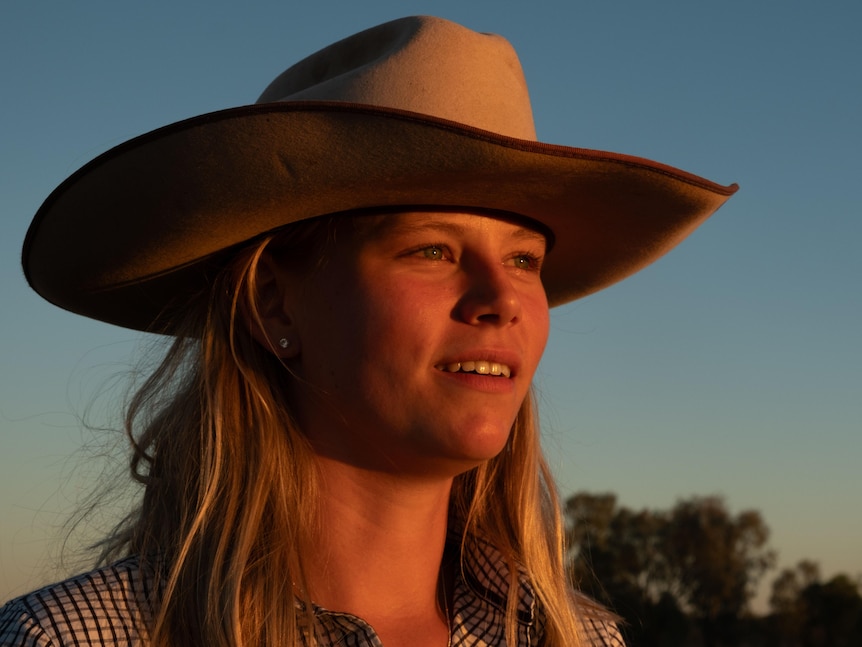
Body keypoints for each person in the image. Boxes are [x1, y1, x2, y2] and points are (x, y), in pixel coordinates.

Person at [0, 15, 736, 647]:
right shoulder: (77, 637)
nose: (500, 300)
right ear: (274, 305)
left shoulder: (578, 637)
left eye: (523, 258)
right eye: (432, 250)